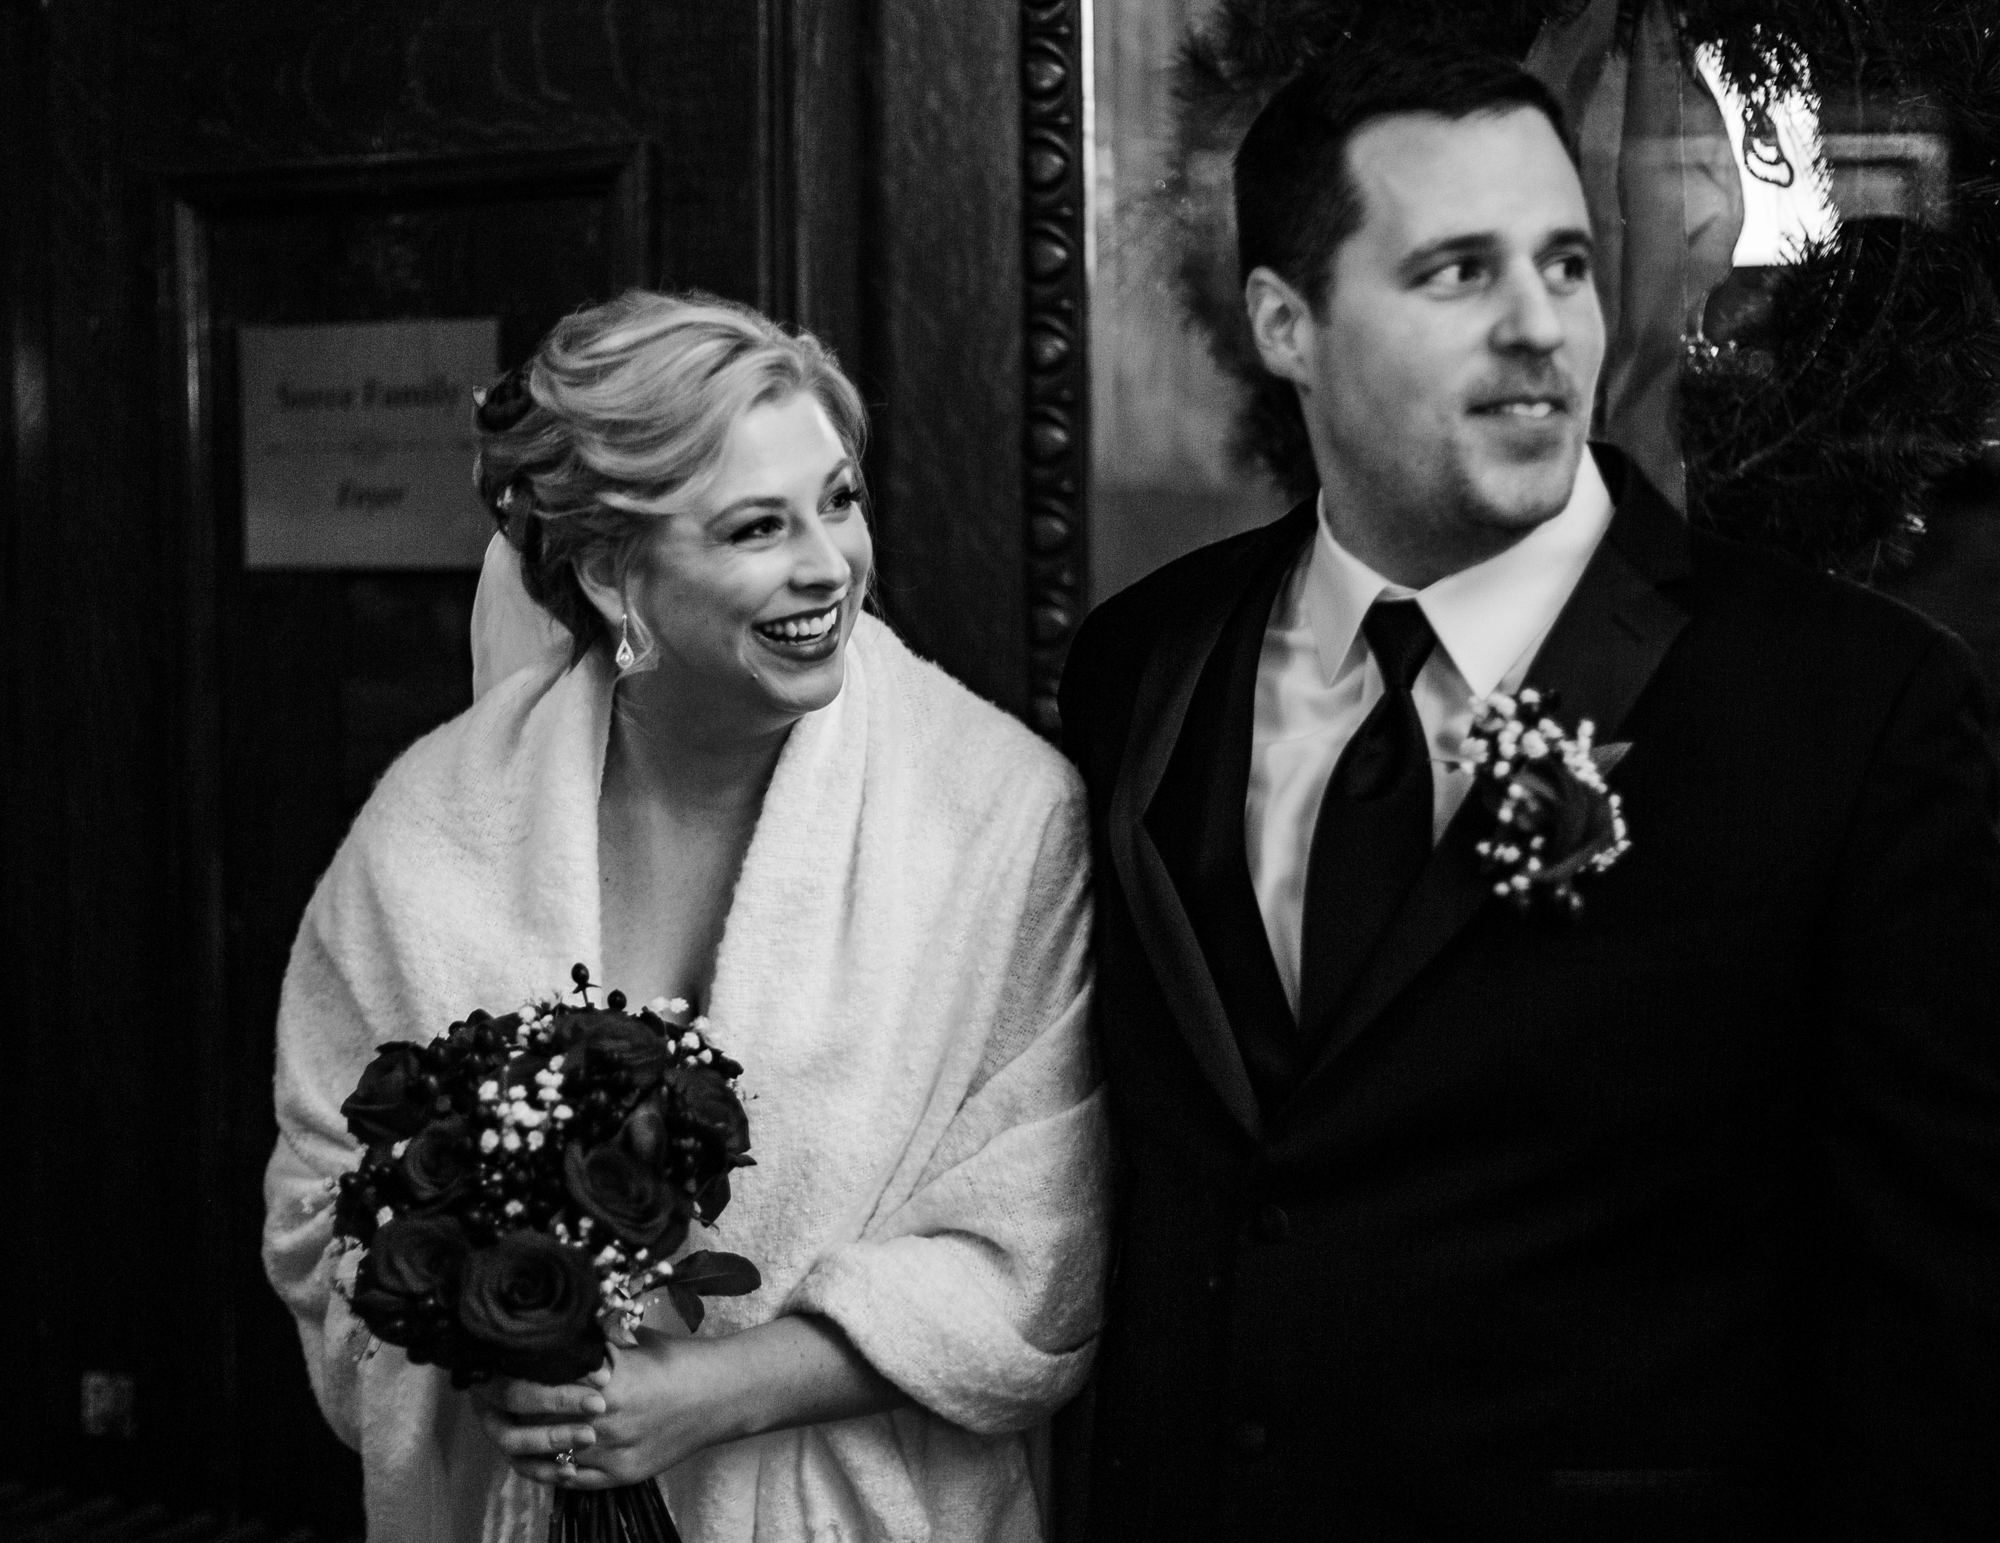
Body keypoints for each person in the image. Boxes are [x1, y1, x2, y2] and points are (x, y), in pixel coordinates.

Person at [1059, 41, 2000, 1542]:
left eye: (1565, 262)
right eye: (1455, 272)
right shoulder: (1144, 670)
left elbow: (1934, 1320)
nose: (1539, 328)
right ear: (1285, 325)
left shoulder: (1848, 708)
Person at [262, 291, 1109, 1543]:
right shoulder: (429, 829)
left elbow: (1039, 1243)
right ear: (612, 571)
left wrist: (712, 1392)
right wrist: (492, 1337)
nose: (828, 564)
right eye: (757, 526)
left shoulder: (998, 816)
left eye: (839, 499)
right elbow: (317, 1204)